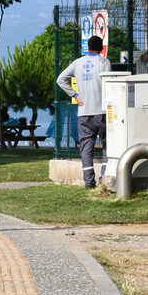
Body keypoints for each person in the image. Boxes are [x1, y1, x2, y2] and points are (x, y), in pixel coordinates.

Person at [56, 35, 112, 190]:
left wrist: (74, 95)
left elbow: (60, 79)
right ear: (102, 48)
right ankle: (104, 178)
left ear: (88, 48)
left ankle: (89, 182)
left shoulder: (77, 63)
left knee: (86, 148)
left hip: (84, 112)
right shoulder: (104, 62)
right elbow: (109, 83)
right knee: (107, 146)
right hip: (102, 111)